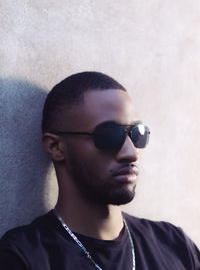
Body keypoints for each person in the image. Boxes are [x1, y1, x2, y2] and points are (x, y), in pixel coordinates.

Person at [0, 71, 199, 270]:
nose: (132, 153)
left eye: (137, 134)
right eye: (110, 135)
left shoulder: (175, 246)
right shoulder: (24, 257)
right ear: (56, 147)